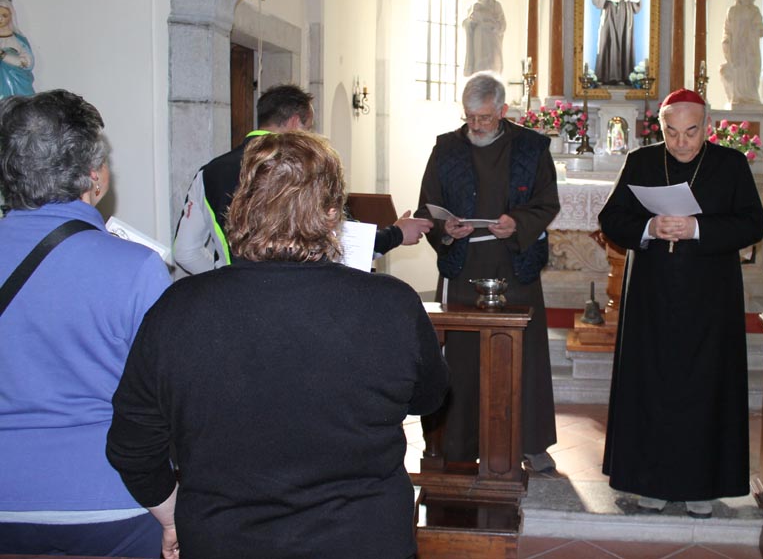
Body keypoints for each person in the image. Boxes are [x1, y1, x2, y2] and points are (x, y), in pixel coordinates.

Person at [107, 131, 449, 559]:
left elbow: (132, 445)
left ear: (240, 207)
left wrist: (170, 515)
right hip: (361, 537)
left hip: (225, 539)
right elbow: (429, 397)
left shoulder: (179, 309)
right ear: (332, 214)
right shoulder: (390, 304)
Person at [0, 90, 171, 557]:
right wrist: (173, 511)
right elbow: (164, 402)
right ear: (94, 176)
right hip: (110, 504)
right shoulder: (137, 268)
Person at [598, 88, 763, 518]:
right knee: (651, 386)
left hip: (711, 300)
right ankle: (648, 482)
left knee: (705, 388)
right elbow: (611, 219)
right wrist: (650, 227)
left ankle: (701, 486)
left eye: (690, 132)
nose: (681, 142)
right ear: (660, 127)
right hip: (651, 298)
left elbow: (753, 223)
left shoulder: (730, 165)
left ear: (706, 127)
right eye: (671, 133)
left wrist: (697, 230)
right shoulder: (641, 162)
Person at [415, 71, 559, 473]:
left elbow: (547, 202)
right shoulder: (446, 148)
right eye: (470, 117)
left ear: (503, 110)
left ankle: (531, 444)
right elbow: (428, 205)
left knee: (523, 353)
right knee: (462, 357)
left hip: (515, 262)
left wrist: (518, 222)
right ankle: (459, 442)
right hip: (464, 265)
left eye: (485, 117)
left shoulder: (532, 147)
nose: (476, 125)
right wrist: (447, 228)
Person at [173, 83, 430, 274]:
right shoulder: (311, 170)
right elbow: (346, 244)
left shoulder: (208, 173)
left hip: (235, 298)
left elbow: (185, 251)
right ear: (296, 123)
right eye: (309, 127)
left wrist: (223, 278)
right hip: (303, 295)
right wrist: (396, 234)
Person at [591, 0, 640, 84]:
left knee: (625, 40)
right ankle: (607, 76)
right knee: (608, 39)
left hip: (625, 12)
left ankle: (625, 76)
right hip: (609, 12)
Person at [720, 0, 763, 106]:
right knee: (737, 73)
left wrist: (754, 29)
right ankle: (738, 97)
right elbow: (727, 32)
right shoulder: (732, 11)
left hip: (751, 51)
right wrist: (727, 48)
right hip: (737, 51)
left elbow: (761, 30)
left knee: (751, 75)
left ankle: (751, 97)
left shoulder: (754, 11)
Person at [463, 0, 506, 76]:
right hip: (479, 39)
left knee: (492, 65)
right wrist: (471, 22)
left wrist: (491, 24)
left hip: (492, 40)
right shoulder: (474, 6)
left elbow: (502, 25)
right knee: (480, 65)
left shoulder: (496, 6)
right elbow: (467, 23)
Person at [0, 0, 36, 98]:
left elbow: (27, 63)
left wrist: (4, 55)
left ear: (11, 15)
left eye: (4, 15)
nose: (0, 19)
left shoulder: (18, 40)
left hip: (16, 82)